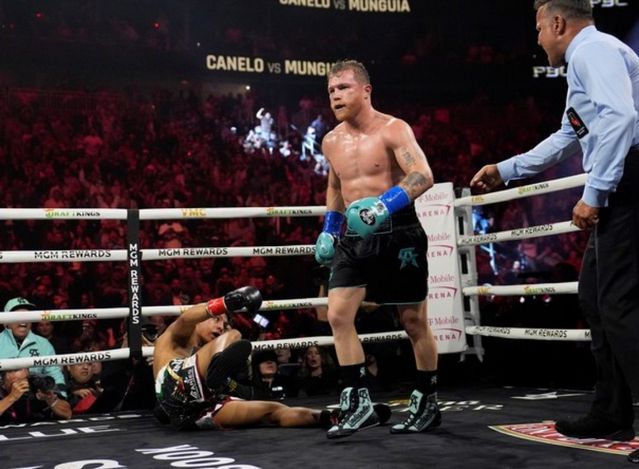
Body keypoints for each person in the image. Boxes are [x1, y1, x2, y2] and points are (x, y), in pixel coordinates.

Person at [469, 1, 639, 464]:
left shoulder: (591, 51)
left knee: (626, 303)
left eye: (539, 28)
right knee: (595, 297)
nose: (537, 38)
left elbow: (620, 117)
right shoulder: (587, 61)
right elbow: (568, 135)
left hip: (636, 177)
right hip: (630, 177)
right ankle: (612, 410)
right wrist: (506, 169)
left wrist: (595, 192)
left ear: (558, 23)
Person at [315, 60, 439, 438]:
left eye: (344, 88)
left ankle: (427, 400)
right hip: (355, 237)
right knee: (338, 315)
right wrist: (329, 229)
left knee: (413, 322)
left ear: (366, 91)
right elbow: (335, 187)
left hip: (398, 231)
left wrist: (383, 205)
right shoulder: (331, 140)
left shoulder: (393, 128)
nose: (335, 96)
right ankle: (360, 402)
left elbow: (423, 175)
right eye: (331, 90)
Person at [152, 286, 387, 430]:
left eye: (224, 322)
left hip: (195, 412)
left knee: (274, 411)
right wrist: (225, 303)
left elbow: (226, 383)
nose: (220, 326)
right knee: (236, 336)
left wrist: (237, 389)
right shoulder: (177, 337)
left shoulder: (208, 356)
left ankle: (336, 417)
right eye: (216, 320)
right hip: (175, 381)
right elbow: (185, 318)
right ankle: (221, 377)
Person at [0, 297, 68, 397]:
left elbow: (54, 373)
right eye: (18, 316)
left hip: (36, 400)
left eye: (28, 316)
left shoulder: (44, 344)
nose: (23, 320)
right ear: (6, 322)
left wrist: (60, 396)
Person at [0, 368, 72, 423]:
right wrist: (12, 397)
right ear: (3, 383)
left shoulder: (36, 385)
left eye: (24, 380)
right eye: (16, 383)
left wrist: (51, 400)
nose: (21, 386)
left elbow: (67, 414)